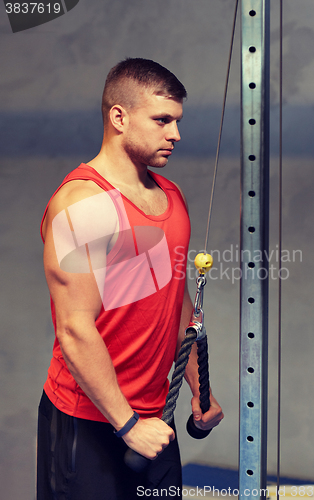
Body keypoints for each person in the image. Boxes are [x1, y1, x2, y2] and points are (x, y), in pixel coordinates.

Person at [37, 58, 223, 500]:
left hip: (155, 418)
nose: (175, 134)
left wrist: (200, 388)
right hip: (90, 422)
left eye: (177, 121)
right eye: (161, 120)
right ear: (119, 117)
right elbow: (75, 328)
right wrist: (128, 425)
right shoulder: (82, 204)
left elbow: (175, 305)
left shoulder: (170, 199)